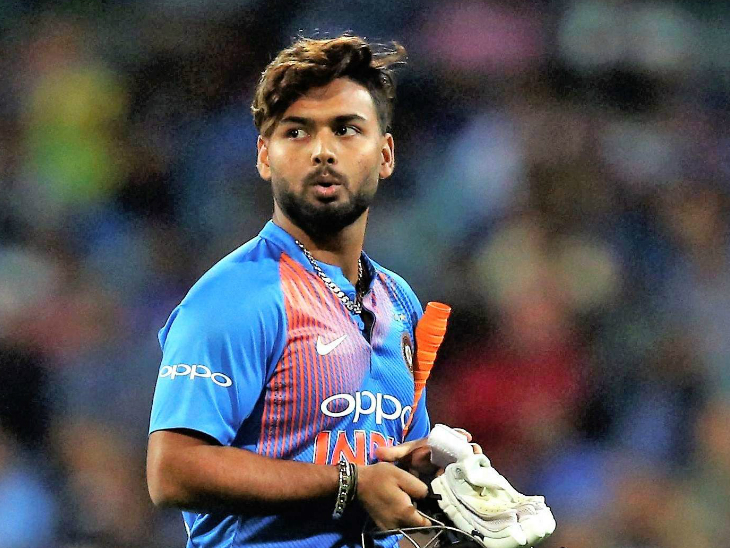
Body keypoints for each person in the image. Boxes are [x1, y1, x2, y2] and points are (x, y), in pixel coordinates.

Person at [146, 34, 443, 548]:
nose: (323, 151)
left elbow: (391, 472)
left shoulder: (400, 301)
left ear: (385, 154)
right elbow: (172, 472)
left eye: (346, 129)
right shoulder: (233, 298)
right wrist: (349, 484)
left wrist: (436, 472)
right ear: (265, 156)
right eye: (297, 132)